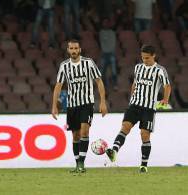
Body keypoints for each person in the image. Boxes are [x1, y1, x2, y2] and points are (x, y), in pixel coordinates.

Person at [105, 45, 171, 173]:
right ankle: (113, 151)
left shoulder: (160, 70)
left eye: (147, 58)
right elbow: (135, 83)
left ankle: (143, 165)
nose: (144, 60)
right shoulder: (138, 67)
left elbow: (167, 86)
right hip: (135, 105)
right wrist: (132, 96)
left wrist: (165, 100)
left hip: (149, 108)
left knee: (144, 135)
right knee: (125, 127)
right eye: (142, 58)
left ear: (153, 56)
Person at [52, 39, 108, 173]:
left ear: (80, 49)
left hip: (87, 103)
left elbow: (99, 82)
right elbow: (58, 86)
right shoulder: (64, 66)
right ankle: (77, 164)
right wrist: (54, 106)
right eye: (71, 48)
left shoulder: (88, 63)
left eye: (76, 48)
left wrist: (103, 102)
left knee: (84, 131)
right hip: (72, 105)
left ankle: (82, 163)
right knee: (75, 135)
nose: (74, 51)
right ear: (68, 50)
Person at [99, 18, 118, 90]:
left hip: (111, 53)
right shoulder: (101, 32)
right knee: (102, 71)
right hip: (104, 54)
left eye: (107, 22)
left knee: (113, 70)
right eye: (104, 22)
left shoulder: (113, 32)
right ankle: (103, 86)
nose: (106, 24)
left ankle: (115, 85)